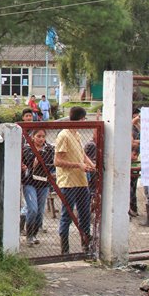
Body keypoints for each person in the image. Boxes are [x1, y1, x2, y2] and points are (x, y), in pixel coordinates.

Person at [55, 106, 95, 253]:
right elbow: (57, 161)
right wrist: (78, 165)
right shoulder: (63, 135)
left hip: (81, 181)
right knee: (67, 215)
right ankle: (64, 249)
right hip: (68, 182)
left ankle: (86, 245)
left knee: (85, 214)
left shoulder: (76, 134)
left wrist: (91, 165)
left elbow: (82, 155)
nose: (85, 122)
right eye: (84, 119)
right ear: (80, 119)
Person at [21, 129, 54, 245]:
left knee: (40, 211)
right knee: (33, 209)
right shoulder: (26, 149)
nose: (41, 139)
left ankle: (34, 234)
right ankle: (29, 235)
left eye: (43, 136)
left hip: (44, 182)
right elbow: (28, 164)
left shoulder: (49, 148)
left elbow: (50, 163)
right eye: (38, 136)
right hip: (29, 182)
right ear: (33, 137)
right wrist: (32, 163)